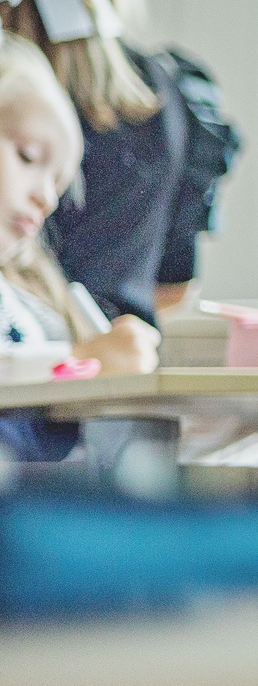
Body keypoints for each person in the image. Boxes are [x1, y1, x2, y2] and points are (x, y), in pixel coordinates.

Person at [0, 0, 237, 327]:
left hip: (48, 385)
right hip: (112, 390)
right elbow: (171, 290)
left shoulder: (16, 100)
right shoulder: (164, 97)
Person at [0, 31, 161, 462]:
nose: (47, 199)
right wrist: (78, 362)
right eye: (30, 157)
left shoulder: (29, 301)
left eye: (58, 183)